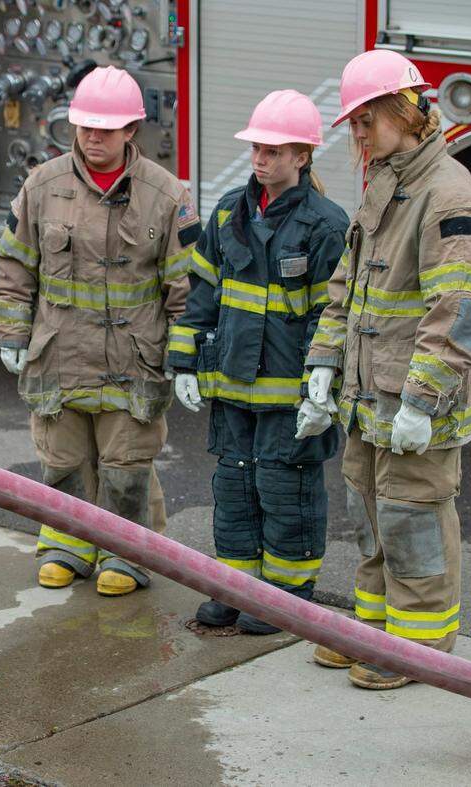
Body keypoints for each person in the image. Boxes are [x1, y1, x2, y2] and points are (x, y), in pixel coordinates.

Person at [301, 50, 471, 689]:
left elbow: (464, 312)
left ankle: (417, 649)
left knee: (413, 519)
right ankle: (373, 631)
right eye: (353, 125)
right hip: (370, 397)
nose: (358, 138)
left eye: (366, 123)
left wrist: (421, 399)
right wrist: (325, 367)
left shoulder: (448, 195)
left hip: (414, 403)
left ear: (405, 113)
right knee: (371, 516)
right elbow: (347, 288)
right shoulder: (389, 183)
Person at [0, 65, 200, 595]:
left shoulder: (166, 195)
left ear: (132, 130)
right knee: (62, 460)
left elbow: (187, 288)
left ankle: (128, 555)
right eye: (85, 127)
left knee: (126, 466)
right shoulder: (43, 185)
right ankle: (68, 545)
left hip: (133, 360)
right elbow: (14, 265)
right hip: (59, 355)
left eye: (105, 129)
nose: (92, 138)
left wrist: (185, 356)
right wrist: (12, 333)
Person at [166, 90, 349, 634]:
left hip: (290, 394)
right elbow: (201, 293)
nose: (260, 158)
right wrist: (184, 364)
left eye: (273, 150)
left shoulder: (325, 225)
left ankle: (287, 597)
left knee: (285, 489)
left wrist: (325, 383)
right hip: (231, 386)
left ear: (302, 156)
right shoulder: (228, 212)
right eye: (256, 148)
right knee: (234, 486)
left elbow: (330, 313)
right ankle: (237, 587)